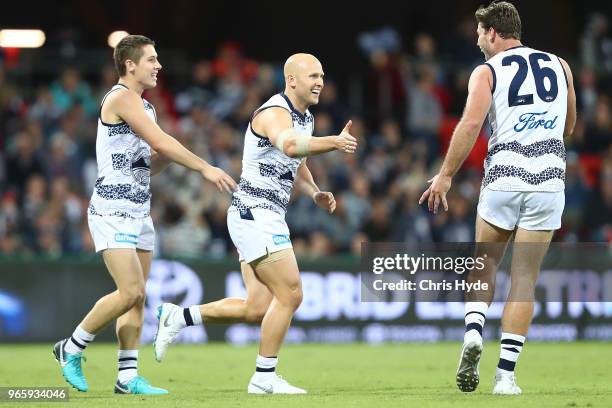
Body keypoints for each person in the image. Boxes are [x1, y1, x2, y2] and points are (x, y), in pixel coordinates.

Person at [153, 53, 358, 394]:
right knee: (291, 293)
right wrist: (335, 142)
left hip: (261, 213)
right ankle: (263, 377)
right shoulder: (274, 113)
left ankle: (178, 317)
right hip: (255, 211)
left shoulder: (304, 117)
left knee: (257, 308)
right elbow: (290, 146)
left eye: (322, 75)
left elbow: (298, 162)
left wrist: (313, 191)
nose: (320, 81)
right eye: (313, 76)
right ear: (291, 79)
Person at [52, 35, 236, 395]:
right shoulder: (120, 97)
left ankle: (126, 377)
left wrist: (165, 156)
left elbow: (145, 167)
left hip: (138, 211)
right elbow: (163, 141)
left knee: (137, 297)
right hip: (112, 210)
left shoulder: (145, 108)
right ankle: (70, 348)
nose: (158, 66)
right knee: (130, 289)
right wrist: (204, 167)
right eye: (151, 60)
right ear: (130, 65)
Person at [419, 1, 576, 395]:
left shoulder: (487, 71)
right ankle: (506, 376)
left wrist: (445, 176)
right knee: (524, 280)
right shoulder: (561, 65)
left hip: (505, 177)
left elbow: (471, 123)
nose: (477, 41)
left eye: (478, 33)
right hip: (548, 183)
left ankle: (474, 331)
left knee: (483, 266)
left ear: (493, 32)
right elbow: (569, 125)